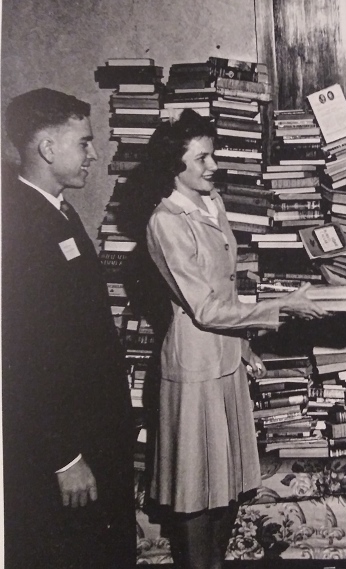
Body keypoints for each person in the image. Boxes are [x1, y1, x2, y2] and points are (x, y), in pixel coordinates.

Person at [138, 109, 328, 569]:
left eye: (213, 155)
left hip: (226, 358)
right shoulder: (166, 221)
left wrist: (243, 345)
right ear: (174, 166)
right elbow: (203, 308)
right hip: (194, 367)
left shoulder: (213, 202)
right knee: (195, 490)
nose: (214, 166)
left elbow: (225, 287)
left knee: (227, 483)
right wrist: (283, 306)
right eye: (201, 158)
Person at [2, 88, 136, 569]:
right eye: (84, 142)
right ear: (47, 148)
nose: (94, 154)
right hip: (65, 450)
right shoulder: (18, 225)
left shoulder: (58, 210)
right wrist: (64, 457)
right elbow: (23, 359)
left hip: (93, 433)